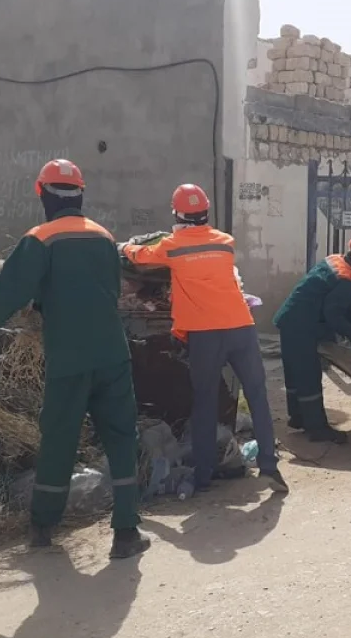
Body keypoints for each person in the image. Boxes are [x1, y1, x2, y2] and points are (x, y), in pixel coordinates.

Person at [0, 158, 150, 559]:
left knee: (59, 438)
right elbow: (111, 290)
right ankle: (127, 532)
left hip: (68, 357)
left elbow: (8, 295)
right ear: (80, 194)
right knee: (120, 437)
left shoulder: (39, 240)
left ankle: (43, 528)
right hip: (112, 353)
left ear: (41, 193)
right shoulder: (103, 237)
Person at [122, 184, 288, 495]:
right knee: (257, 396)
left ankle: (203, 476)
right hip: (241, 327)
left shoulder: (172, 245)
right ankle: (269, 466)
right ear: (206, 212)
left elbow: (141, 256)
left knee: (205, 403)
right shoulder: (225, 242)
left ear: (176, 213)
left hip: (206, 334)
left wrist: (124, 249)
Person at [273, 232, 351, 444]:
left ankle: (298, 418)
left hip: (290, 319)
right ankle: (317, 429)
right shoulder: (347, 279)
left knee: (294, 373)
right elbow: (333, 314)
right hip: (303, 326)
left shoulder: (335, 260)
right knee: (308, 375)